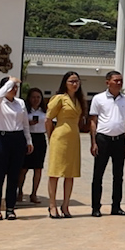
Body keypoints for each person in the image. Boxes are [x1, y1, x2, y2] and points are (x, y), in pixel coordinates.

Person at [89, 71, 125, 217]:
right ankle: (96, 207)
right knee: (98, 175)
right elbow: (93, 121)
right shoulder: (98, 98)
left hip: (119, 140)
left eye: (121, 80)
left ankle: (116, 206)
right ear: (107, 82)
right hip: (103, 139)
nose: (119, 83)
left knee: (118, 175)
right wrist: (93, 142)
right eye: (116, 80)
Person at [0, 76, 32, 220]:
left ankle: (10, 208)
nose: (14, 89)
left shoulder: (20, 103)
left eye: (15, 87)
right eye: (11, 87)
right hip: (1, 138)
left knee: (14, 176)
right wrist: (9, 82)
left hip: (17, 139)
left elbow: (25, 123)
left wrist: (28, 140)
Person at [45, 72, 86, 219]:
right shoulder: (59, 99)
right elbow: (48, 119)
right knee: (55, 172)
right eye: (71, 81)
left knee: (70, 173)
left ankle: (66, 205)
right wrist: (51, 137)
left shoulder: (79, 100)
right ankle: (52, 205)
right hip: (60, 136)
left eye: (77, 81)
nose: (75, 84)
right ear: (65, 83)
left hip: (74, 137)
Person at [19, 89, 46, 205]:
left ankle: (34, 193)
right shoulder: (24, 110)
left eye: (38, 97)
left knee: (38, 168)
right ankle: (19, 191)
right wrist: (28, 123)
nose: (36, 100)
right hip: (27, 138)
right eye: (33, 97)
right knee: (23, 168)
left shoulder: (45, 111)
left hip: (40, 139)